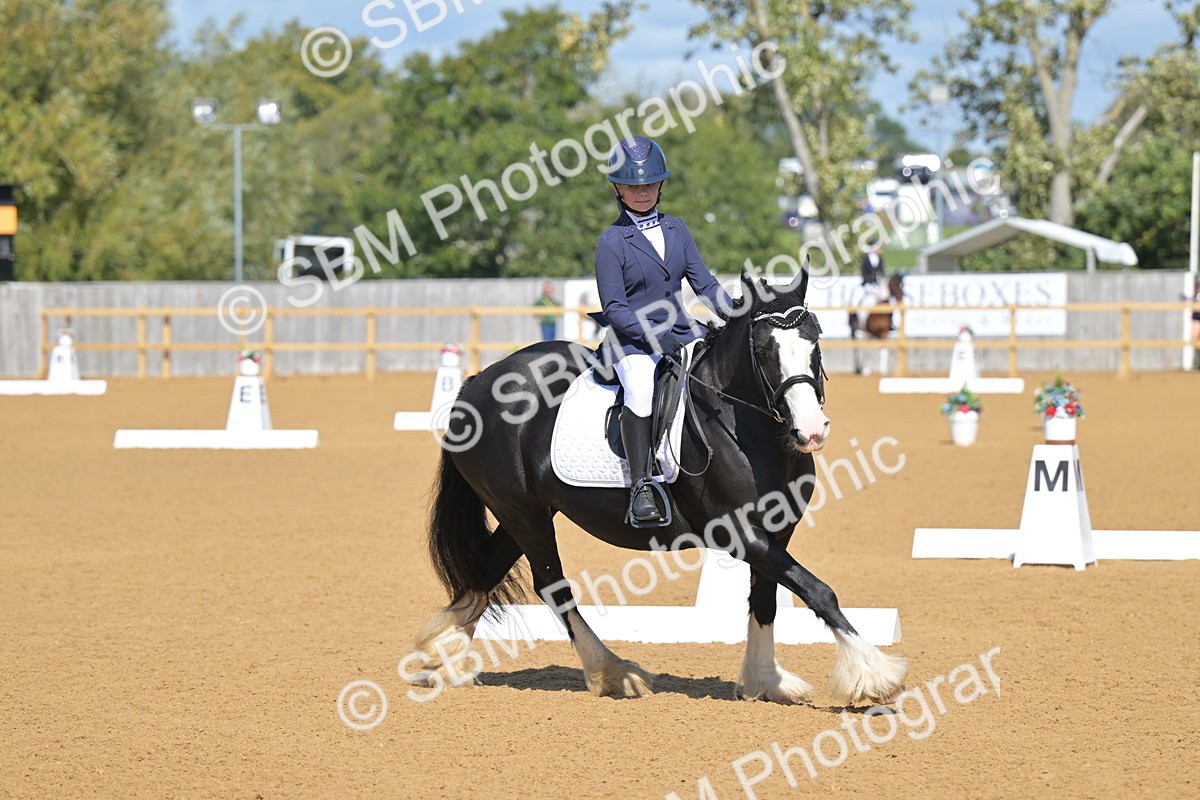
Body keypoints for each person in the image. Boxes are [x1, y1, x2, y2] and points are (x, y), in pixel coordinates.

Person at [593, 136, 732, 525]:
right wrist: (656, 339)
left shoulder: (678, 230)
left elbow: (703, 283)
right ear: (618, 188)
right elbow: (615, 309)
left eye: (650, 184)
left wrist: (735, 311)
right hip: (633, 341)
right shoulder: (611, 242)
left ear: (661, 186)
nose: (642, 193)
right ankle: (642, 485)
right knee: (640, 388)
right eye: (634, 186)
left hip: (683, 330)